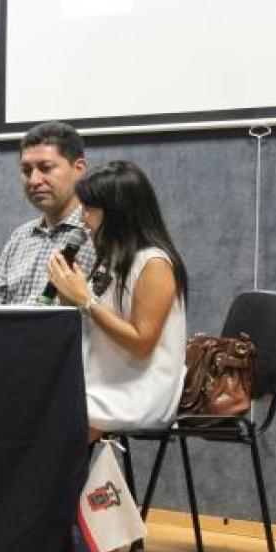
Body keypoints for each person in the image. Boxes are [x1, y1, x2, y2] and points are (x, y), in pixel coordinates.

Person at [46, 161, 188, 442]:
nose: (82, 219)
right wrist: (67, 295)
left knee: (52, 420)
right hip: (102, 381)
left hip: (138, 389)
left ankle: (63, 486)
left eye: (89, 209)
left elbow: (141, 343)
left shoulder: (153, 263)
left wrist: (85, 301)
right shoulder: (111, 259)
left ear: (117, 213)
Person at [0, 121, 96, 305]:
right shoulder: (20, 237)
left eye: (46, 168)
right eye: (26, 171)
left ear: (79, 169)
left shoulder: (99, 236)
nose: (34, 180)